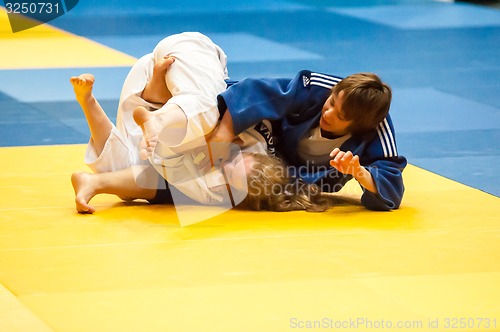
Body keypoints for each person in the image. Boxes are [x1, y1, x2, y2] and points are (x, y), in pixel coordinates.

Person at [70, 32, 329, 214]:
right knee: (208, 117)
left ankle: (89, 102)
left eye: (227, 170)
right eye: (236, 155)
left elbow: (152, 187)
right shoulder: (262, 134)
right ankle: (160, 110)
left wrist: (100, 184)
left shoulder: (213, 191)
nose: (223, 160)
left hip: (144, 96)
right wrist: (221, 133)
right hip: (188, 58)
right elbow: (253, 91)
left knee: (125, 167)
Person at [209, 71, 407, 211]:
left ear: (359, 127)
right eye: (331, 103)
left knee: (221, 185)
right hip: (265, 137)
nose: (328, 113)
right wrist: (223, 134)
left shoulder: (375, 129)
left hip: (286, 179)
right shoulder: (320, 88)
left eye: (340, 116)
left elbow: (392, 190)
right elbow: (254, 91)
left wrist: (360, 173)